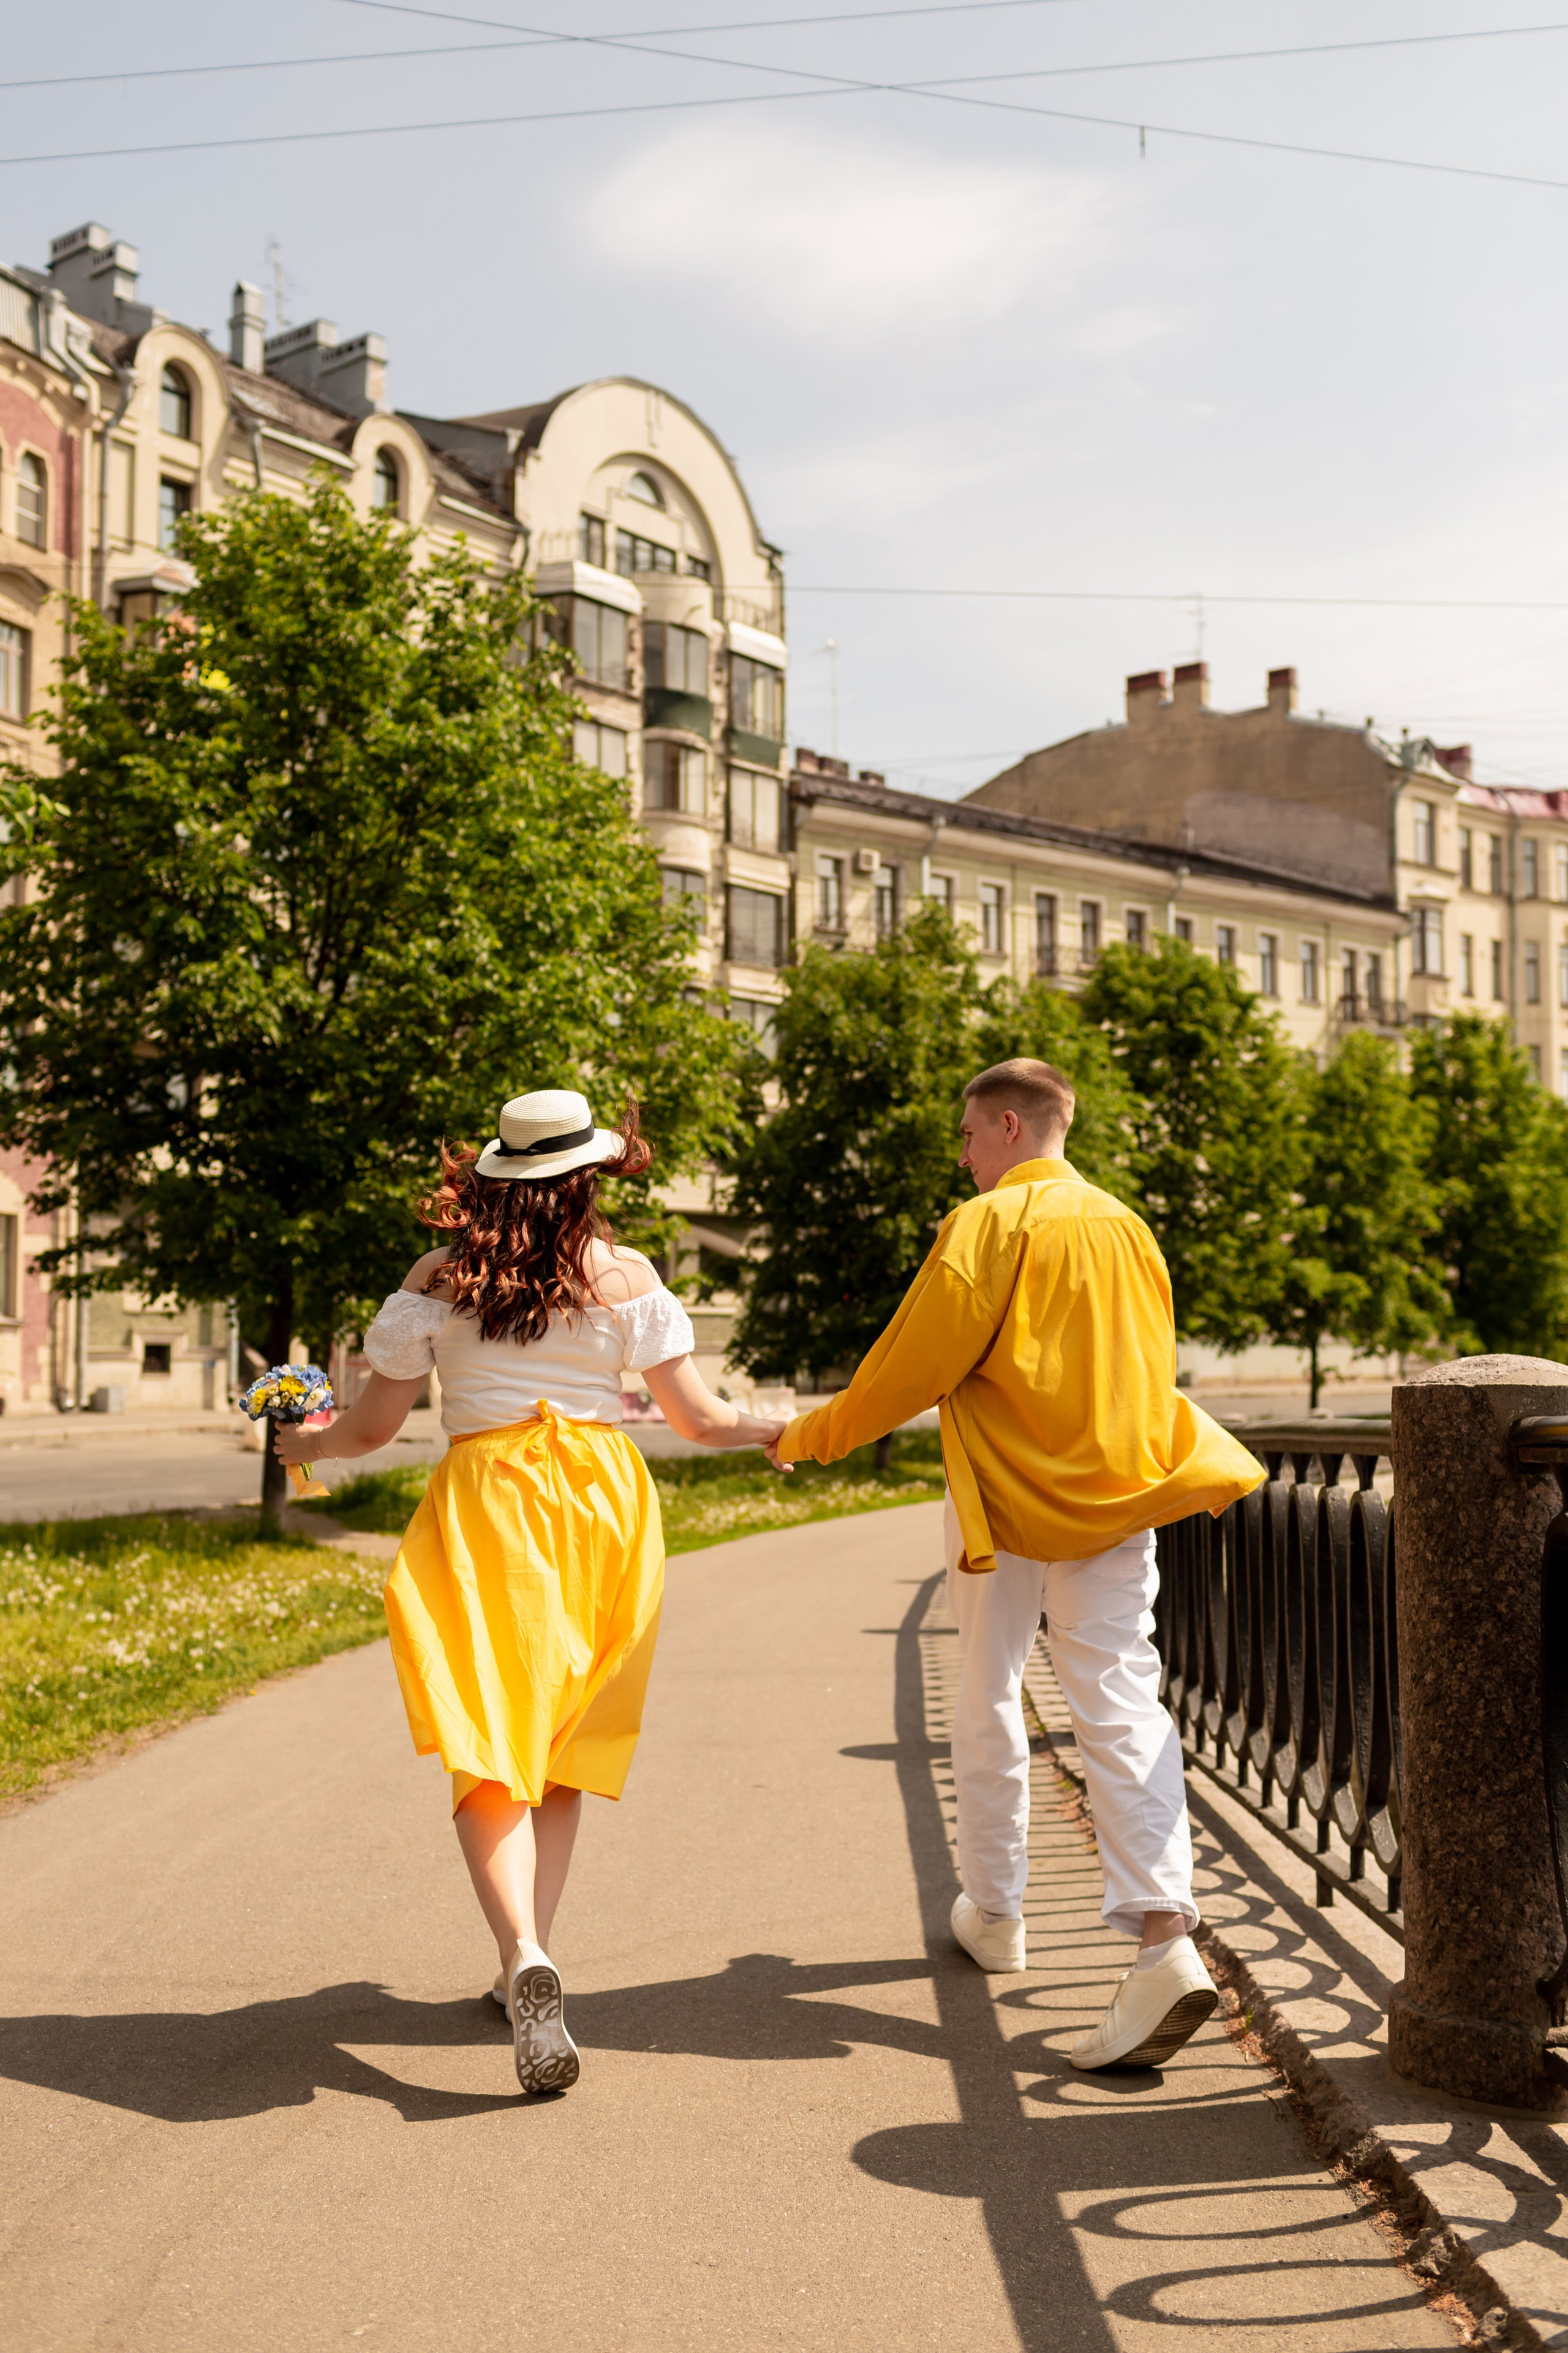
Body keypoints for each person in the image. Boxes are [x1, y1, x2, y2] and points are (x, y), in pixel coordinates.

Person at [277, 1087, 785, 2097]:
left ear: (494, 1178)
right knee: (560, 1745)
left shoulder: (440, 1277)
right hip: (601, 1507)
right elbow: (696, 1417)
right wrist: (781, 1428)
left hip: (487, 1506)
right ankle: (527, 1961)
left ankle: (521, 1951)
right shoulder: (626, 1275)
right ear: (589, 1175)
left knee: (484, 1735)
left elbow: (373, 1430)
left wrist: (310, 1445)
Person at [766, 1057, 1265, 2071]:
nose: (960, 1153)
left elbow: (910, 1365)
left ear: (1007, 1123)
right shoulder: (1127, 1226)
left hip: (1001, 1506)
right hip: (1120, 1498)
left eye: (965, 1134)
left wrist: (807, 1436)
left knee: (989, 1691)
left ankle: (997, 1912)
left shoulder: (985, 1226)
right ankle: (1165, 1932)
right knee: (1125, 1702)